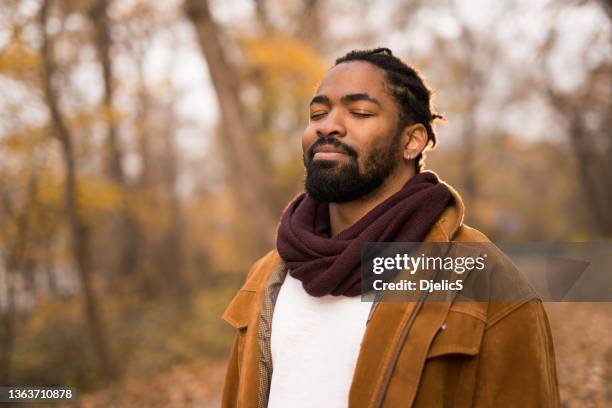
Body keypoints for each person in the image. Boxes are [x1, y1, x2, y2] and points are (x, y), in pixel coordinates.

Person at [220, 48, 560, 408]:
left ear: (412, 141)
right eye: (317, 113)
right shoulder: (266, 275)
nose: (328, 125)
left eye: (360, 112)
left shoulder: (486, 280)